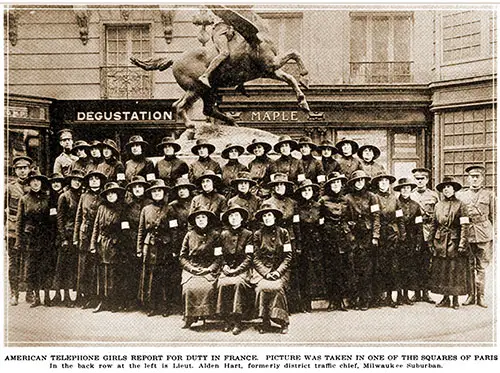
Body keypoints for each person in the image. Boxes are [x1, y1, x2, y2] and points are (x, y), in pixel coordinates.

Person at [429, 177, 471, 310]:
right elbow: (433, 225)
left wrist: (462, 243)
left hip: (454, 241)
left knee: (455, 270)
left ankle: (455, 299)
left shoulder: (461, 204)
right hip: (440, 241)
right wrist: (430, 242)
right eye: (444, 188)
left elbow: (465, 225)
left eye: (449, 187)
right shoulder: (438, 205)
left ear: (454, 189)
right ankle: (445, 298)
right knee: (443, 270)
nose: (446, 190)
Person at [457, 165, 495, 308]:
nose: (474, 179)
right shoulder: (462, 195)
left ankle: (481, 296)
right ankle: (470, 295)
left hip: (484, 233)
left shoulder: (489, 195)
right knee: (469, 266)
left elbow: (494, 215)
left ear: (482, 178)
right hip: (468, 233)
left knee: (481, 266)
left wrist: (494, 231)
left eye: (477, 177)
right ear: (468, 178)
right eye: (472, 177)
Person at [252, 203, 292, 334]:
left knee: (277, 288)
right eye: (264, 216)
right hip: (262, 271)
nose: (267, 218)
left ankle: (282, 321)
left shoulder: (284, 233)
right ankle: (264, 321)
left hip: (281, 270)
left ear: (274, 217)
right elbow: (255, 258)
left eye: (269, 215)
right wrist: (266, 272)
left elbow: (288, 256)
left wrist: (278, 272)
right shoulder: (257, 234)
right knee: (261, 288)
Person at [136, 180, 175, 317]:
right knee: (151, 276)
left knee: (164, 276)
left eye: (159, 191)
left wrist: (174, 248)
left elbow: (173, 230)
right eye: (154, 191)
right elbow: (141, 230)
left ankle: (165, 306)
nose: (157, 193)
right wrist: (139, 249)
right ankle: (152, 306)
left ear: (164, 193)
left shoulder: (170, 209)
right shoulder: (146, 209)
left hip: (165, 246)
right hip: (150, 246)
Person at [264, 173, 301, 312]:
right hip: (276, 240)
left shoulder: (293, 203)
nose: (281, 188)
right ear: (273, 188)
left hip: (290, 239)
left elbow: (296, 224)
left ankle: (293, 305)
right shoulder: (268, 203)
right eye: (278, 185)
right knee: (278, 269)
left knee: (292, 270)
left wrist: (298, 243)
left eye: (283, 185)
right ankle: (278, 306)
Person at [343, 170, 380, 311]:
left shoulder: (372, 197)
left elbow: (376, 218)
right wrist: (349, 235)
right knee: (353, 269)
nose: (359, 183)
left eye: (362, 180)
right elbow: (344, 219)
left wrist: (375, 236)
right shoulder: (347, 198)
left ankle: (365, 299)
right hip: (353, 237)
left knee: (367, 270)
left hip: (367, 236)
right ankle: (354, 299)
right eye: (357, 181)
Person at [16, 169, 52, 307]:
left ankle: (47, 296)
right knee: (33, 268)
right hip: (31, 239)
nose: (36, 183)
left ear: (41, 183)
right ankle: (36, 297)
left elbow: (52, 220)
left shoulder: (48, 198)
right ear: (29, 183)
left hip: (46, 238)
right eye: (33, 181)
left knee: (46, 267)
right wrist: (19, 240)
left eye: (38, 181)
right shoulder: (24, 199)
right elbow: (20, 221)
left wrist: (53, 237)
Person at [180, 209, 221, 329]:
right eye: (198, 218)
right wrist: (191, 268)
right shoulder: (189, 235)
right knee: (188, 288)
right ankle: (189, 317)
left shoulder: (215, 235)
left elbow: (219, 258)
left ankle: (205, 316)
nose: (201, 220)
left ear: (208, 220)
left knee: (207, 288)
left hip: (208, 268)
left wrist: (209, 269)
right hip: (192, 267)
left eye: (203, 217)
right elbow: (182, 257)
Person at [90, 182, 128, 313]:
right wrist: (93, 244)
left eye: (113, 193)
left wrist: (119, 242)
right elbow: (96, 226)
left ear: (117, 194)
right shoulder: (101, 208)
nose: (111, 196)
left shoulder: (122, 208)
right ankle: (103, 301)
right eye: (108, 194)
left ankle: (114, 301)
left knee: (114, 273)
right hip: (102, 244)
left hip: (115, 245)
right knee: (102, 273)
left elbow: (125, 229)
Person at [216, 205, 253, 335]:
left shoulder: (248, 234)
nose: (234, 218)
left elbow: (249, 257)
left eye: (236, 215)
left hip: (242, 269)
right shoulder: (223, 235)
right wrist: (224, 266)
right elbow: (219, 254)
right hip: (226, 269)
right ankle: (226, 319)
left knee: (238, 284)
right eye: (231, 216)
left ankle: (237, 320)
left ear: (242, 218)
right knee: (222, 284)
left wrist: (237, 270)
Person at [371, 172, 405, 308]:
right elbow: (375, 217)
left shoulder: (395, 199)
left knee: (393, 268)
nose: (383, 183)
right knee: (380, 267)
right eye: (381, 181)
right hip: (381, 236)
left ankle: (392, 297)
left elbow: (400, 218)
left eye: (386, 181)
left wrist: (402, 235)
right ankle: (380, 296)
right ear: (378, 184)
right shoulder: (374, 198)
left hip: (393, 236)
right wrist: (376, 236)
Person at [73, 170, 107, 308]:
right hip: (85, 234)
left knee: (96, 266)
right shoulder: (84, 196)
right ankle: (85, 296)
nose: (94, 181)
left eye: (96, 179)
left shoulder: (104, 197)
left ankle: (96, 297)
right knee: (84, 266)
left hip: (98, 234)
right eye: (91, 179)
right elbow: (78, 217)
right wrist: (76, 236)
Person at [319, 172, 352, 311]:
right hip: (329, 237)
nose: (336, 185)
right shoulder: (323, 200)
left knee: (342, 269)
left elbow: (350, 217)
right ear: (329, 185)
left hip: (343, 237)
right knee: (330, 269)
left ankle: (341, 300)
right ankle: (332, 300)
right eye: (333, 183)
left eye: (338, 183)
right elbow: (319, 219)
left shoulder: (346, 200)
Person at [53, 169, 85, 307]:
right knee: (64, 267)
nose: (76, 182)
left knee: (75, 267)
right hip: (67, 235)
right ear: (70, 181)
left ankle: (76, 296)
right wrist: (63, 238)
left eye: (79, 180)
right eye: (74, 180)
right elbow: (60, 219)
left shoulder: (82, 196)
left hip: (78, 235)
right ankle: (63, 295)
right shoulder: (64, 197)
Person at [410, 168, 439, 304]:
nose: (419, 181)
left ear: (427, 180)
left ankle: (426, 292)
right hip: (415, 232)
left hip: (428, 231)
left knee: (428, 262)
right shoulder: (410, 195)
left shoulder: (434, 196)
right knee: (415, 262)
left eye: (422, 179)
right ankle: (416, 292)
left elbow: (438, 214)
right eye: (417, 179)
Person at [6, 155, 33, 305]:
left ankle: (30, 292)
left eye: (25, 168)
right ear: (15, 170)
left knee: (30, 261)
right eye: (19, 169)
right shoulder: (10, 188)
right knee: (14, 263)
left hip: (29, 229)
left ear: (29, 169)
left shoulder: (34, 186)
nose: (22, 171)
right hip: (13, 229)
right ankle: (14, 293)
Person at [295, 178, 325, 312]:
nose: (307, 192)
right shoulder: (297, 207)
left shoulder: (319, 206)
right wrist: (299, 244)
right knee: (304, 271)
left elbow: (322, 224)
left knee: (315, 271)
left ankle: (314, 300)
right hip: (304, 241)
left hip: (316, 242)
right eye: (304, 190)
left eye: (309, 190)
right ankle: (304, 303)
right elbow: (296, 226)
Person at [393, 177, 424, 306]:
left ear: (411, 190)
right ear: (400, 190)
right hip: (398, 239)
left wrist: (418, 242)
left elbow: (419, 225)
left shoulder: (415, 206)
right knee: (397, 268)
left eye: (408, 188)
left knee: (408, 268)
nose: (405, 190)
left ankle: (406, 295)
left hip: (410, 241)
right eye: (403, 188)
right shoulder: (395, 203)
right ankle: (399, 295)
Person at [168, 177, 197, 312]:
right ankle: (178, 303)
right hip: (178, 239)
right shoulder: (173, 205)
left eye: (184, 189)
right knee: (176, 271)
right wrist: (174, 247)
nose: (182, 192)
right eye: (179, 189)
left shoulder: (195, 202)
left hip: (194, 238)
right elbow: (172, 226)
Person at [124, 176, 151, 311]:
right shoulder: (128, 205)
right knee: (131, 271)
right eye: (135, 187)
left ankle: (145, 300)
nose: (138, 189)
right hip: (130, 240)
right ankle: (131, 300)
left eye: (140, 187)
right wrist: (130, 236)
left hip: (148, 241)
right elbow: (124, 223)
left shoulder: (150, 203)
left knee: (146, 270)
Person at [47, 172, 66, 304]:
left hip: (62, 235)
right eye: (53, 182)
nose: (56, 184)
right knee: (52, 266)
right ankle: (53, 294)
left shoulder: (65, 197)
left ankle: (63, 294)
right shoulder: (48, 198)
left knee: (62, 266)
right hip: (50, 235)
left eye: (58, 182)